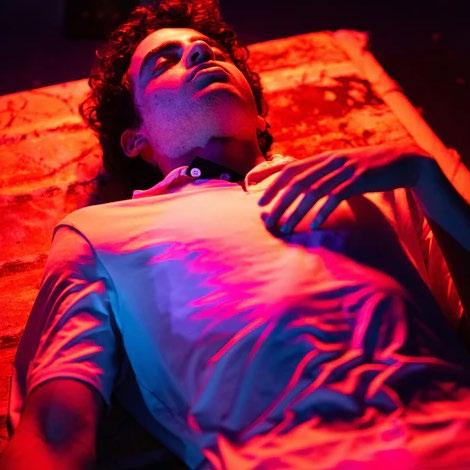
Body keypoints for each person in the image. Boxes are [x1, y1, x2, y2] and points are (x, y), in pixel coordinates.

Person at [2, 1, 470, 469]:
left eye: (212, 51)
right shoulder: (100, 234)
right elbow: (53, 433)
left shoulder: (382, 185)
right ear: (135, 139)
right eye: (164, 61)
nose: (200, 54)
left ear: (261, 115)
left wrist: (426, 176)